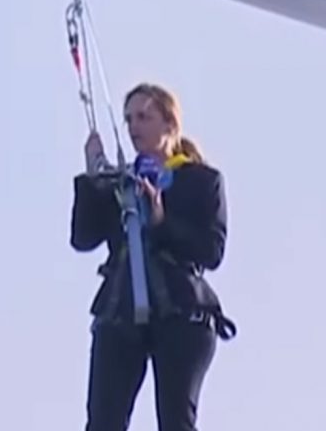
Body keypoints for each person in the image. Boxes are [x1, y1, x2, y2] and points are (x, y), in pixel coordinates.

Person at [70, 82, 236, 431]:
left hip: (180, 311)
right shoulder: (121, 182)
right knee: (102, 423)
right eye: (129, 119)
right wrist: (91, 178)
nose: (133, 127)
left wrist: (161, 221)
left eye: (144, 117)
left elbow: (211, 250)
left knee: (175, 421)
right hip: (122, 309)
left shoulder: (201, 181)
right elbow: (83, 238)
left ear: (169, 125)